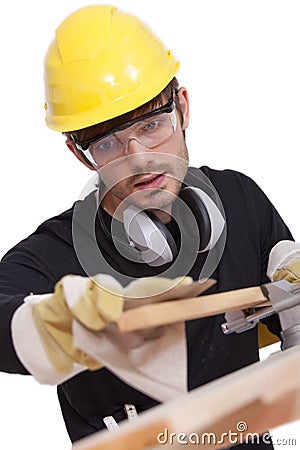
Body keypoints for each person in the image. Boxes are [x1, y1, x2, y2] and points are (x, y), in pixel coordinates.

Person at [0, 4, 298, 449]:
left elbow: (283, 320)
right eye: (107, 142)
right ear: (79, 154)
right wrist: (56, 325)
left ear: (182, 107)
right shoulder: (54, 254)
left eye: (152, 124)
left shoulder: (239, 200)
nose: (138, 158)